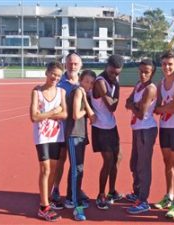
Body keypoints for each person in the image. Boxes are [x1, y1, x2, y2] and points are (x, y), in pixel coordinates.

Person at [30, 61, 67, 221]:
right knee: (45, 169)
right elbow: (34, 117)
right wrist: (53, 111)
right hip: (42, 136)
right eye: (53, 74)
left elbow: (65, 114)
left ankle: (48, 199)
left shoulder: (61, 92)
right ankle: (43, 207)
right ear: (47, 72)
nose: (55, 77)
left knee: (53, 169)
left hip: (57, 135)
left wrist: (44, 114)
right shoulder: (36, 91)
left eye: (58, 75)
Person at [153, 51, 174, 219]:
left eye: (170, 64)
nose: (167, 67)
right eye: (164, 64)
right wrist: (164, 108)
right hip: (165, 127)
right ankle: (169, 195)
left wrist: (163, 108)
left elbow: (173, 107)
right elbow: (157, 107)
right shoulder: (160, 83)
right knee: (167, 162)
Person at [51, 52, 89, 205]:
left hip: (78, 130)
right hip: (61, 130)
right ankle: (56, 188)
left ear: (80, 65)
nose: (72, 66)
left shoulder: (85, 83)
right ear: (65, 64)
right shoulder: (59, 84)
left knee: (76, 164)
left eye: (75, 64)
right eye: (70, 63)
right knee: (61, 160)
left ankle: (74, 191)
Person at [90, 54, 124, 210]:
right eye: (112, 72)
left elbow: (114, 103)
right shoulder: (100, 82)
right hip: (100, 127)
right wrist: (117, 92)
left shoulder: (114, 81)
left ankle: (111, 191)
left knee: (118, 157)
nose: (114, 75)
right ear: (107, 66)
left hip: (111, 126)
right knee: (108, 160)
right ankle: (100, 195)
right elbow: (112, 106)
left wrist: (116, 90)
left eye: (117, 73)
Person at [125, 59, 158, 214]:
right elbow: (127, 102)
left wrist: (134, 105)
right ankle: (137, 193)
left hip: (146, 129)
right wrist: (133, 105)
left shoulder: (150, 89)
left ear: (152, 73)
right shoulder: (139, 85)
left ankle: (143, 201)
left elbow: (140, 114)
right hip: (137, 129)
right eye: (141, 71)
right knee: (134, 163)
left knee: (143, 166)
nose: (143, 74)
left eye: (147, 72)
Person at [64, 70, 96, 221]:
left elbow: (92, 117)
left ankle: (71, 196)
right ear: (81, 80)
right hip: (74, 134)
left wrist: (86, 100)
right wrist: (86, 107)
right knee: (77, 170)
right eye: (86, 81)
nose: (89, 85)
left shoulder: (84, 93)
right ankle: (76, 206)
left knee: (77, 168)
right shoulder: (78, 91)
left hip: (81, 135)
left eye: (91, 82)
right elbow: (76, 114)